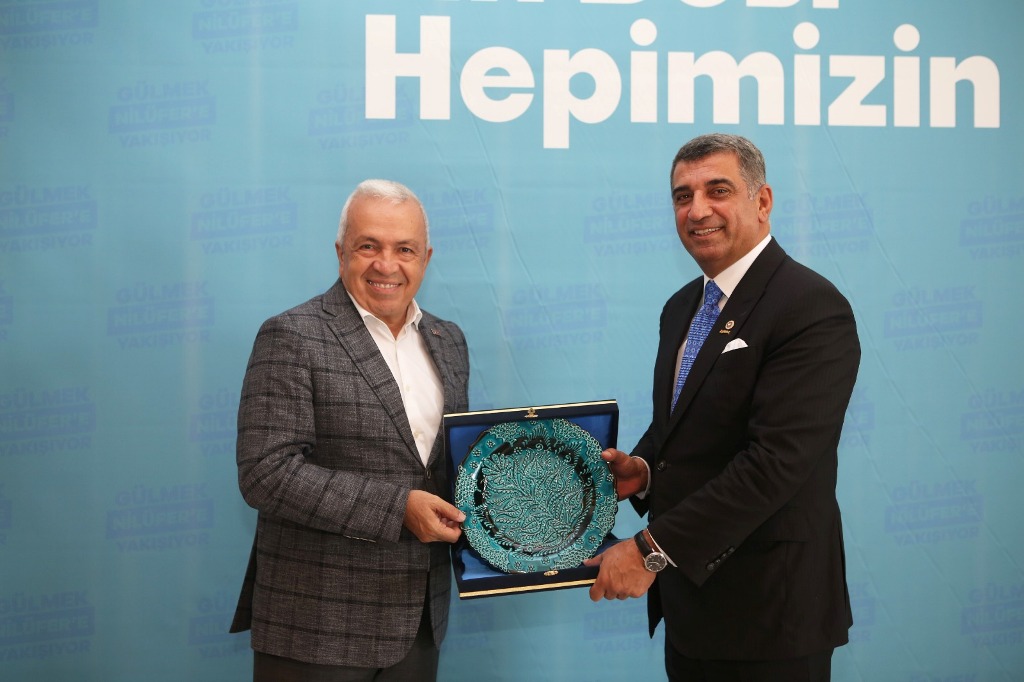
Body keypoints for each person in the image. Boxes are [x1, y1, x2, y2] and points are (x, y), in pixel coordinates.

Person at [586, 134, 860, 681]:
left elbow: (775, 463)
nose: (697, 210)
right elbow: (683, 424)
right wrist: (642, 470)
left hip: (771, 615)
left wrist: (649, 549)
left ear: (762, 202)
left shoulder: (810, 306)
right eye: (682, 196)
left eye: (718, 190)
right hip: (691, 610)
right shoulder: (682, 306)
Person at [229, 179, 470, 681]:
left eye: (404, 249)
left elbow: (451, 466)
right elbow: (265, 472)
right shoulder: (291, 335)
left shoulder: (448, 340)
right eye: (368, 246)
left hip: (420, 622)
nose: (387, 264)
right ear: (341, 253)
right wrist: (398, 508)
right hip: (316, 625)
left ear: (426, 258)